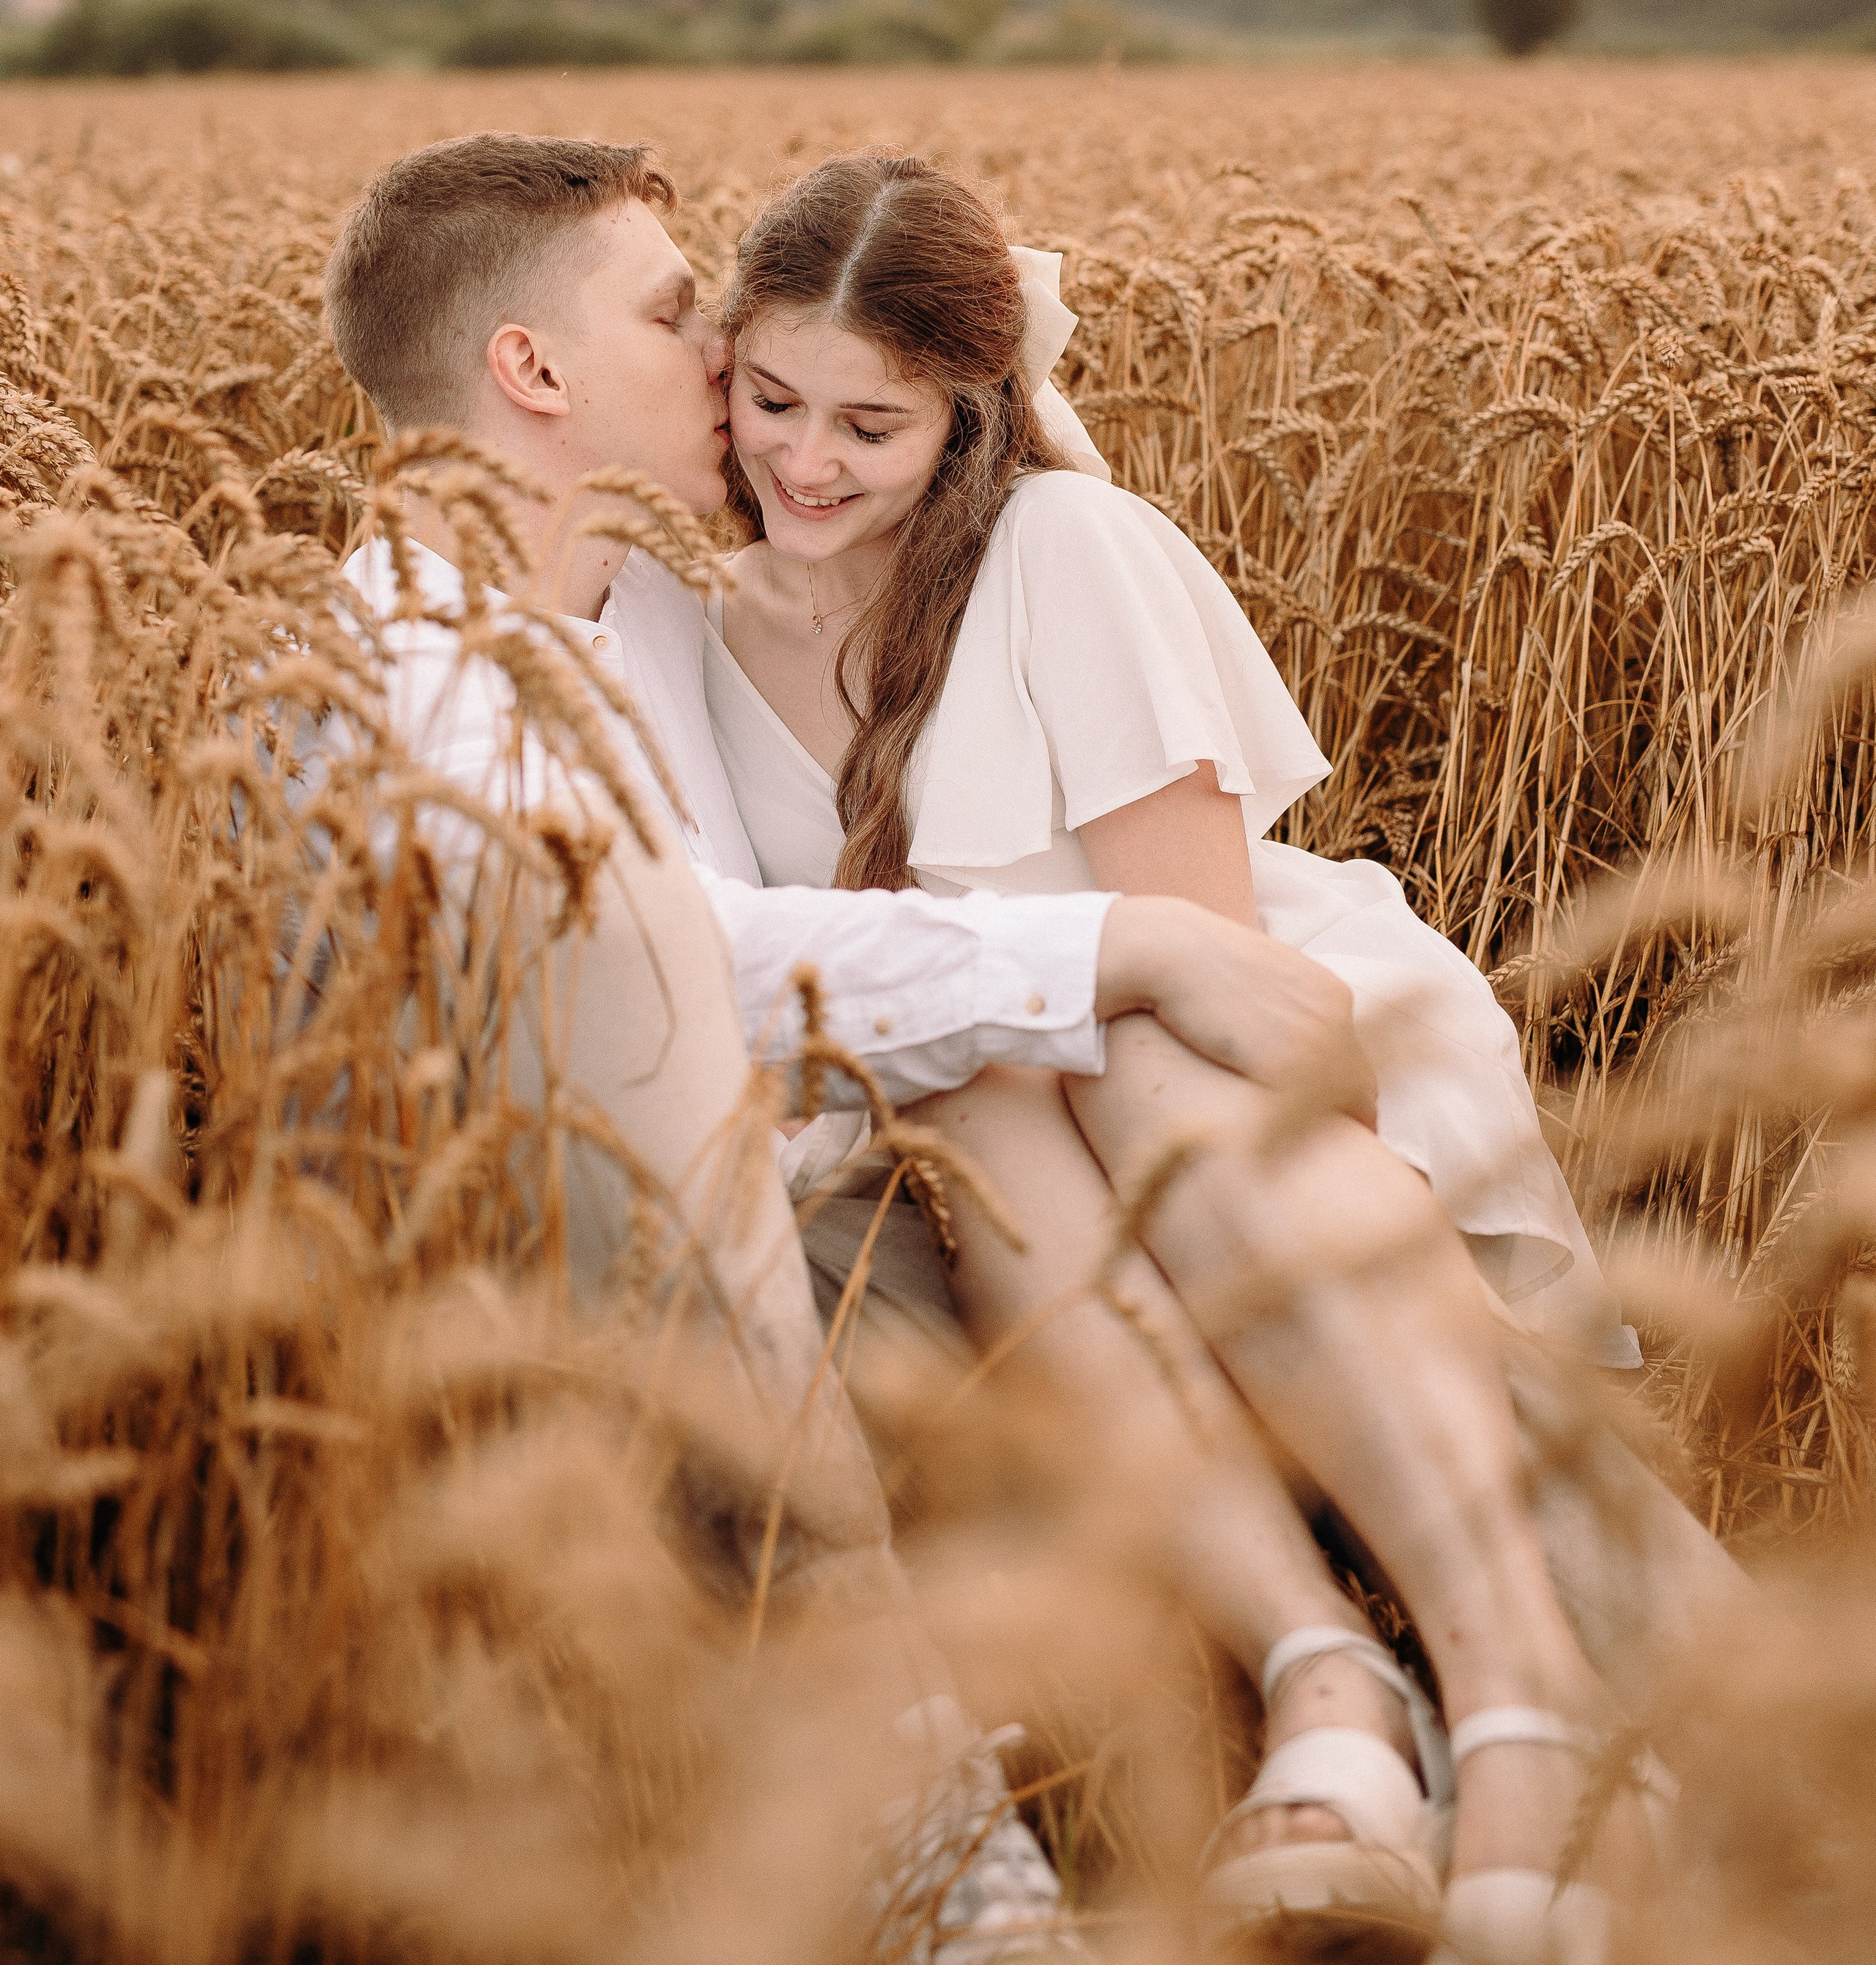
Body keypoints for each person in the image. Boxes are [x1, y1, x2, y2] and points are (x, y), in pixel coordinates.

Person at [321, 131, 1381, 1965]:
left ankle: (1322, 1698)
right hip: (586, 1277)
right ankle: (957, 1860)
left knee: (1055, 1129)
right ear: (532, 370)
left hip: (802, 1170)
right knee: (948, 1177)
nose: (723, 352)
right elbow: (669, 963)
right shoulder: (404, 664)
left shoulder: (637, 592)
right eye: (678, 312)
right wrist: (1113, 943)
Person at [703, 152, 1737, 1965]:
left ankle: (1508, 1705)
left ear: (966, 415)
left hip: (1239, 1050)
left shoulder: (1057, 547)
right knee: (972, 1072)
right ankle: (1329, 1678)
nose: (805, 460)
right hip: (993, 1111)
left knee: (1089, 1045)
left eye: (869, 422)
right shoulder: (700, 622)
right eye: (771, 401)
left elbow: (1208, 978)